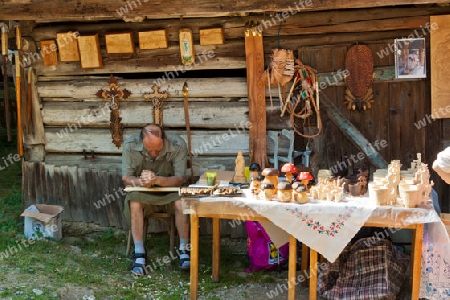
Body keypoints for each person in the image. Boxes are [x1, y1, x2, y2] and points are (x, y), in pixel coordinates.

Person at [122, 124, 190, 275]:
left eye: (157, 150)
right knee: (134, 202)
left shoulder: (177, 144)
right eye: (149, 149)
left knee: (181, 202)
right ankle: (139, 252)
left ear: (164, 139)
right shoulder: (130, 146)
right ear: (141, 142)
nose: (153, 153)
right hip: (143, 192)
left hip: (170, 191)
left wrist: (157, 180)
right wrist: (142, 182)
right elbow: (126, 178)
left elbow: (180, 178)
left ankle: (184, 250)